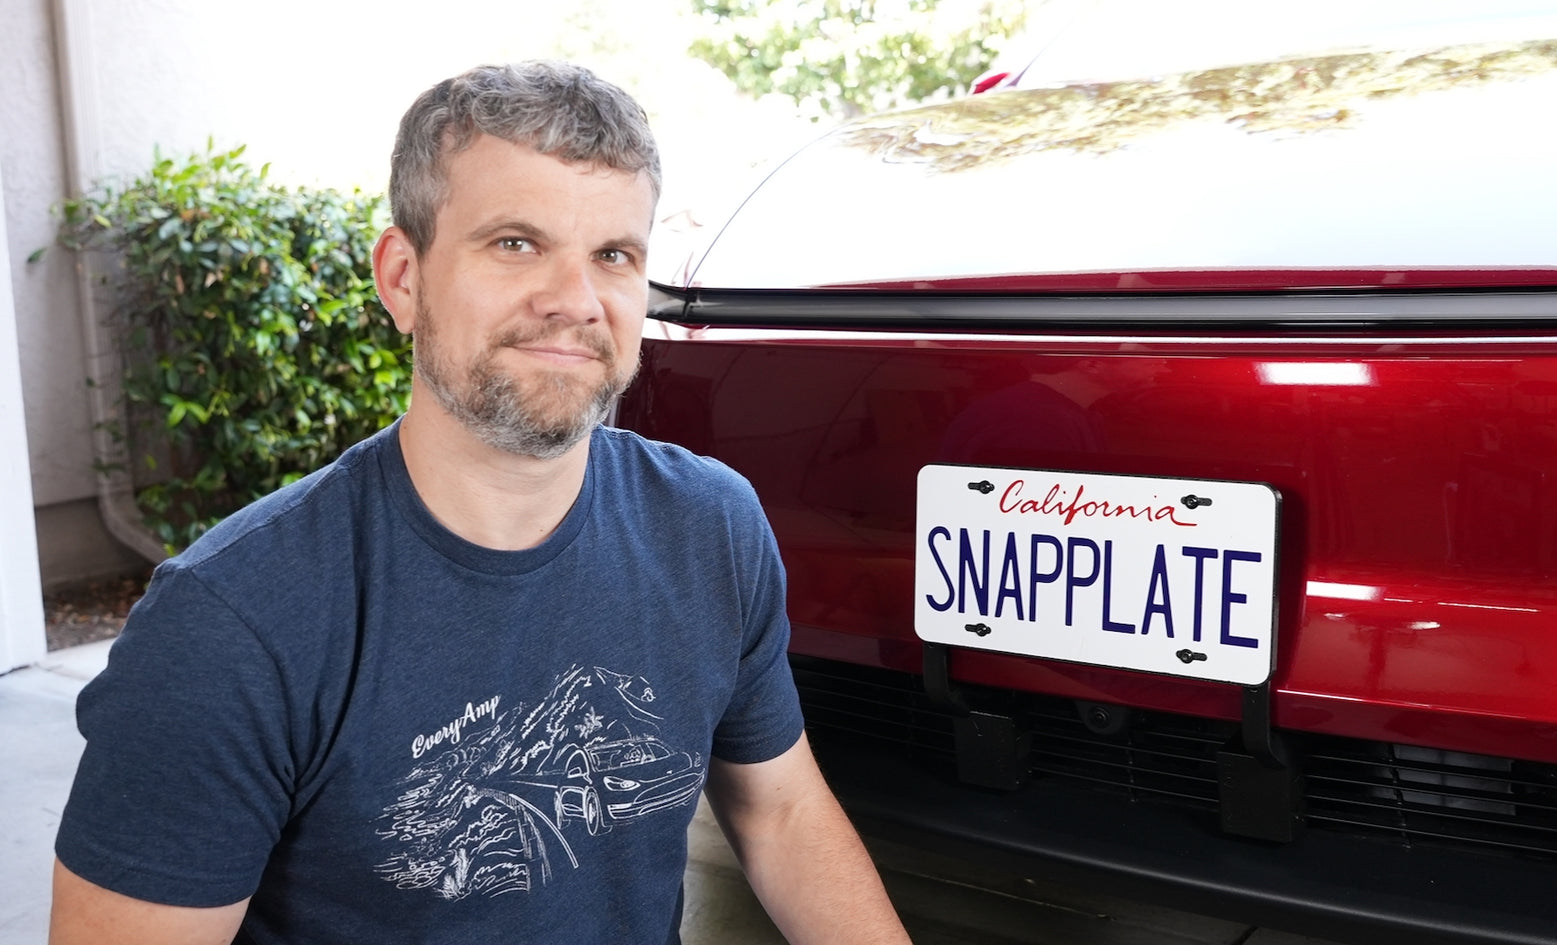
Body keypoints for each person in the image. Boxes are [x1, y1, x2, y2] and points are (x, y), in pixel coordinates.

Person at [50, 61, 912, 945]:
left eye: (612, 255)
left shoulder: (709, 526)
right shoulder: (232, 623)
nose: (574, 302)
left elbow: (781, 815)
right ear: (402, 278)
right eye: (515, 243)